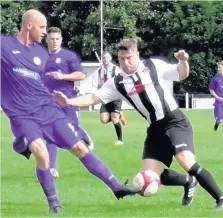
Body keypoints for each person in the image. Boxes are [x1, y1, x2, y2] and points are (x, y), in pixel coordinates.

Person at [54, 38, 223, 209]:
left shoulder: (154, 65)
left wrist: (183, 61)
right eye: (121, 59)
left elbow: (182, 74)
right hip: (155, 129)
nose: (125, 62)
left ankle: (220, 198)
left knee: (185, 160)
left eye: (129, 58)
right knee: (149, 178)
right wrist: (68, 102)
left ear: (137, 55)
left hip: (175, 121)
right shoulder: (117, 82)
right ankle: (188, 181)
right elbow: (93, 98)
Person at [1, 11, 140, 214]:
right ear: (29, 25)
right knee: (42, 154)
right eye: (42, 28)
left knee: (79, 148)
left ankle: (117, 188)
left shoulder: (41, 54)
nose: (45, 33)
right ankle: (54, 202)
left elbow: (38, 81)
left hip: (47, 108)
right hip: (22, 114)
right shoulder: (4, 45)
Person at [43, 26, 94, 178]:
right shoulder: (41, 57)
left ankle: (83, 135)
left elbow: (80, 75)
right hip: (48, 103)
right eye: (52, 39)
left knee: (72, 132)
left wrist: (63, 77)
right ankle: (52, 168)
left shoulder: (69, 56)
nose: (54, 42)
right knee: (49, 134)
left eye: (57, 39)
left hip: (67, 101)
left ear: (61, 40)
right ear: (47, 40)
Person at [97, 51, 127, 146]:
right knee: (104, 120)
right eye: (104, 58)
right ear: (102, 59)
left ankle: (120, 140)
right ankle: (119, 114)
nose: (105, 59)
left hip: (115, 96)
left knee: (114, 118)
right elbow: (99, 83)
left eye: (107, 58)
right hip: (105, 97)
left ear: (110, 59)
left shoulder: (116, 69)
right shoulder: (100, 70)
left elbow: (121, 81)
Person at [209, 61, 223, 131]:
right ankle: (217, 123)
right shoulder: (215, 78)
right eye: (218, 67)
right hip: (219, 103)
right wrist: (217, 97)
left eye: (219, 67)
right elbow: (211, 89)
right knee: (219, 120)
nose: (218, 68)